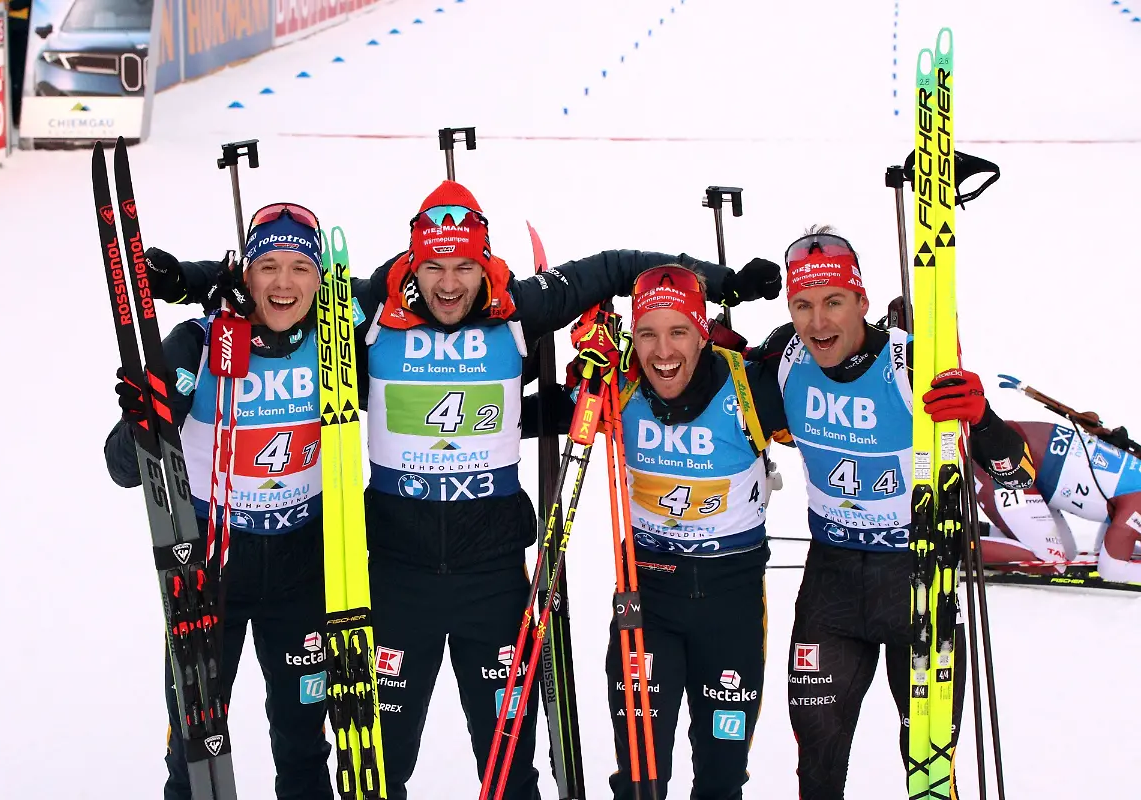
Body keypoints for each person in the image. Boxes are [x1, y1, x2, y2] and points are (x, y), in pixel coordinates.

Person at [131, 180, 778, 799]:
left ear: (485, 266)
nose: (448, 283)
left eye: (464, 267)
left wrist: (718, 285)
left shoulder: (518, 310)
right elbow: (283, 283)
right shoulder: (369, 312)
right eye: (434, 267)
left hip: (492, 586)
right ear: (412, 263)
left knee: (509, 771)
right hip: (395, 585)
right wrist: (192, 281)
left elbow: (615, 267)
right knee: (379, 769)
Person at [735, 226, 1036, 799]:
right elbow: (722, 407)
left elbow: (1015, 472)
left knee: (928, 767)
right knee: (818, 758)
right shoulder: (784, 359)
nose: (818, 323)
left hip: (918, 576)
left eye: (833, 303)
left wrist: (983, 420)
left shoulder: (909, 364)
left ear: (862, 303)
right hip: (832, 585)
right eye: (803, 305)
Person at [105, 204, 335, 799]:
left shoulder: (338, 336)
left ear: (321, 277)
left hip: (302, 576)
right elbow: (123, 468)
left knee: (305, 749)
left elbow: (420, 289)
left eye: (299, 268)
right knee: (193, 753)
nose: (283, 284)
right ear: (246, 275)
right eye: (268, 267)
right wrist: (144, 417)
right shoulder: (198, 342)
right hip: (209, 577)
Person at [572, 263, 778, 799]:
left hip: (730, 604)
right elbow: (525, 417)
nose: (663, 352)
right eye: (647, 334)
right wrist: (582, 378)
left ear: (703, 332)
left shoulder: (748, 387)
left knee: (722, 774)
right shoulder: (618, 387)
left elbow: (827, 401)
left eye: (678, 331)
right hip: (647, 600)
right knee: (640, 776)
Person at [973, 419, 1141, 585]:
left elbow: (1105, 547)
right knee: (1051, 563)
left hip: (1015, 456)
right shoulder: (1136, 508)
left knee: (1066, 554)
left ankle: (978, 533)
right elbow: (1111, 570)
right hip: (1000, 462)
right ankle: (952, 546)